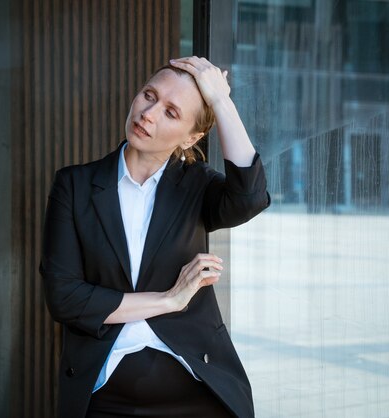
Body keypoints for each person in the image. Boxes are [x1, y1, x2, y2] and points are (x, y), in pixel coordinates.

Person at [40, 56, 270, 418]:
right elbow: (65, 298)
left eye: (171, 112)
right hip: (108, 392)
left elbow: (250, 197)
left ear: (192, 137)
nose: (148, 113)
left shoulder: (196, 186)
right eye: (149, 95)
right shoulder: (75, 185)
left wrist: (221, 101)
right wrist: (168, 300)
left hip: (197, 387)